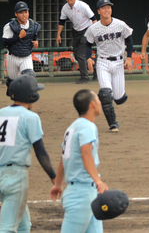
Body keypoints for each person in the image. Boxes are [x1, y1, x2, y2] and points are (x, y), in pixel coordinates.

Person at [0, 75, 56, 233]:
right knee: (7, 228)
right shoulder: (31, 117)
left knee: (24, 226)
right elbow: (40, 152)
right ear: (31, 96)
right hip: (15, 177)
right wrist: (54, 177)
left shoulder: (1, 113)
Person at [49, 89, 109, 232]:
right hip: (82, 195)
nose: (100, 102)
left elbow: (64, 158)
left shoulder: (73, 127)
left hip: (86, 192)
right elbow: (86, 154)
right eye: (98, 100)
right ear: (93, 104)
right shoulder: (88, 126)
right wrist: (98, 180)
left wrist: (58, 183)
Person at [84, 0, 134, 133]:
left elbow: (129, 41)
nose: (107, 10)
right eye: (104, 8)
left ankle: (115, 97)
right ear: (99, 11)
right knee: (106, 94)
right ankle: (113, 124)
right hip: (103, 62)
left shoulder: (120, 24)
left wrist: (129, 58)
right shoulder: (93, 28)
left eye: (109, 8)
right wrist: (89, 58)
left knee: (118, 98)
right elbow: (88, 45)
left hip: (118, 62)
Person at [56, 0, 98, 84]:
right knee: (76, 54)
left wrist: (96, 33)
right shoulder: (65, 8)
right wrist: (58, 35)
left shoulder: (83, 6)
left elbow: (94, 19)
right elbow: (61, 21)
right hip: (76, 31)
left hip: (87, 30)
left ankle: (84, 77)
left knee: (81, 55)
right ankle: (95, 66)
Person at [2, 1, 41, 97]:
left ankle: (27, 99)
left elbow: (35, 35)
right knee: (13, 81)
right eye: (21, 12)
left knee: (29, 77)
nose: (24, 15)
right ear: (16, 14)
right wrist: (18, 37)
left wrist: (36, 41)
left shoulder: (33, 25)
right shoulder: (10, 26)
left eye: (26, 12)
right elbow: (5, 43)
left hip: (26, 56)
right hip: (13, 56)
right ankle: (10, 85)